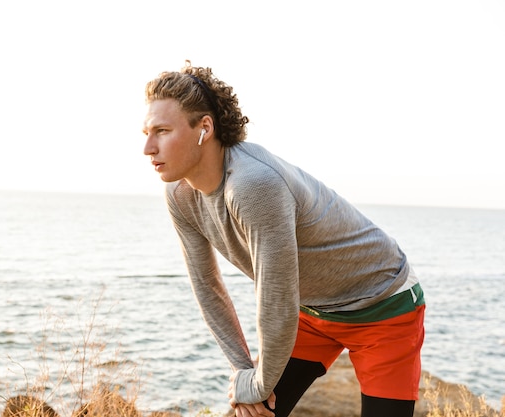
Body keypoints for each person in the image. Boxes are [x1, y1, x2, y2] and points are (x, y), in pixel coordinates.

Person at [141, 61, 426, 417]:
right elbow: (207, 286)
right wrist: (243, 372)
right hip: (309, 313)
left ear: (205, 128)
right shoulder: (180, 195)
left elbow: (275, 296)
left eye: (163, 131)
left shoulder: (252, 185)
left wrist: (258, 387)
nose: (148, 148)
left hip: (383, 306)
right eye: (146, 133)